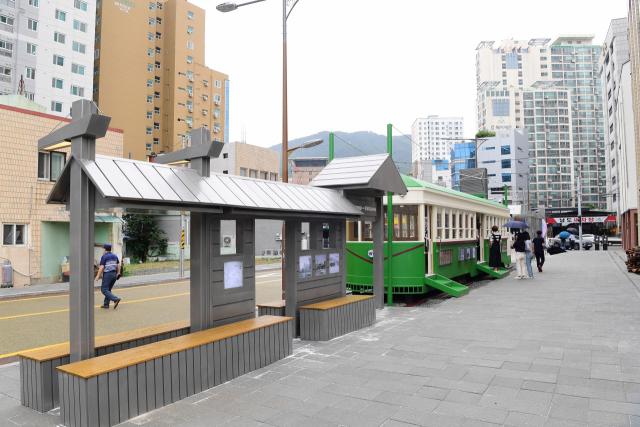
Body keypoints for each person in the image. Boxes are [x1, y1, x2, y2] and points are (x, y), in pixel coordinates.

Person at [95, 243, 122, 309]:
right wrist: (118, 273)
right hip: (114, 274)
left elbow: (101, 267)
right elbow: (118, 265)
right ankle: (106, 304)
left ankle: (115, 299)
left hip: (108, 274)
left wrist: (98, 276)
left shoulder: (104, 256)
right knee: (108, 290)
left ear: (105, 249)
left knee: (104, 290)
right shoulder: (114, 256)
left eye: (103, 249)